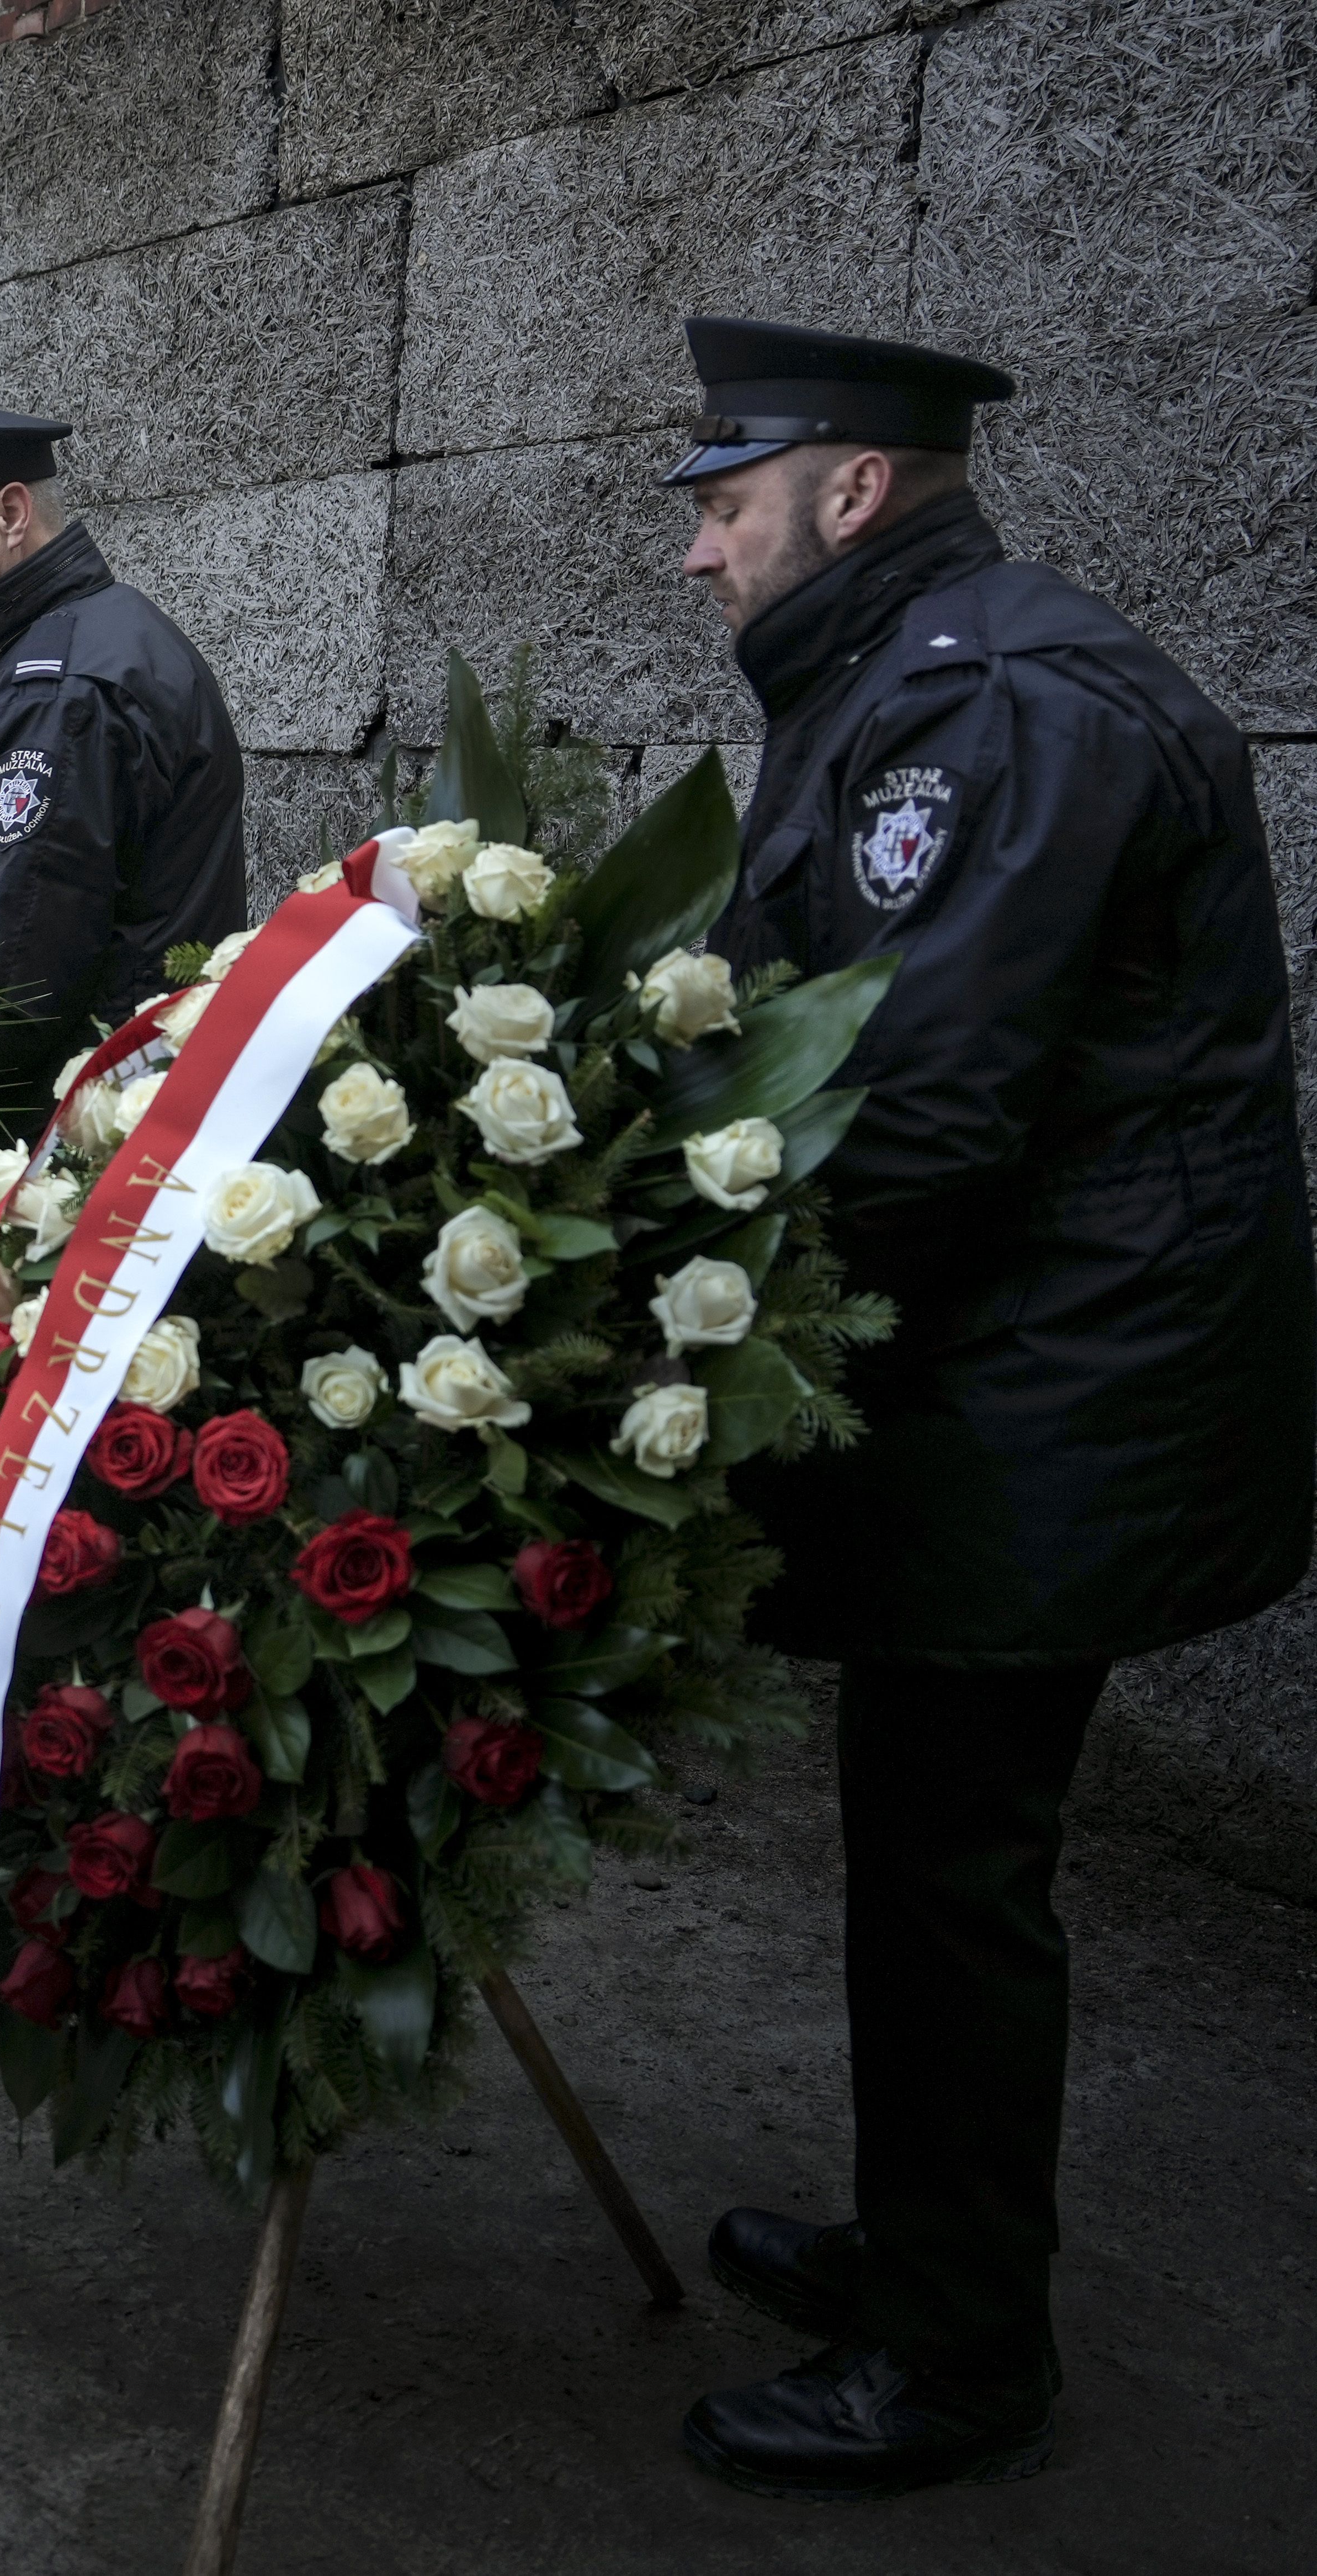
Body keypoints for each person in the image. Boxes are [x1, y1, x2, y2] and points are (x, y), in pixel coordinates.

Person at [662, 317, 1314, 2500]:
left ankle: (956, 2351)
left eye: (724, 504)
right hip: (1015, 1375)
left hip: (1049, 1387)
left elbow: (908, 1112)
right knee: (924, 1832)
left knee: (954, 1859)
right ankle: (924, 2240)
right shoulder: (916, 667)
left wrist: (694, 1353)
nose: (696, 554)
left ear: (851, 493)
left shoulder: (985, 700)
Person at [0, 408, 247, 1261]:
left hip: (53, 1155)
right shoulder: (62, 648)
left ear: (12, 513)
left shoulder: (59, 688)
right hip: (68, 1134)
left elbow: (3, 976)